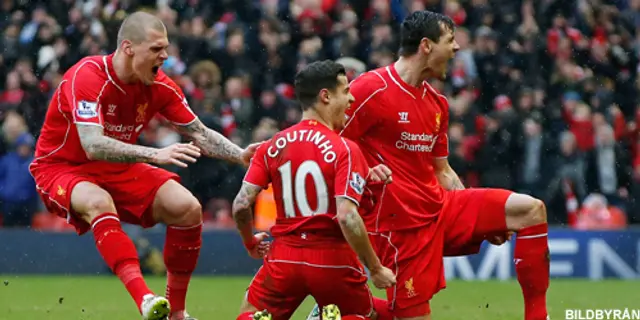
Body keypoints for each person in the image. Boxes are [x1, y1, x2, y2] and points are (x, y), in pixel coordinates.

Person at [312, 10, 550, 320]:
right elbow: (326, 143)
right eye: (450, 40)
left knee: (531, 211)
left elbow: (442, 171)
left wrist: (476, 217)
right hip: (399, 227)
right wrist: (363, 171)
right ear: (426, 45)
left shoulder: (437, 103)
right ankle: (347, 309)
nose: (456, 48)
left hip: (440, 207)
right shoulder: (372, 89)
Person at [28, 11, 258, 320]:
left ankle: (176, 312)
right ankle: (145, 299)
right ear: (128, 48)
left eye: (165, 47)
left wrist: (240, 155)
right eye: (156, 48)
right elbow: (92, 145)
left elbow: (199, 133)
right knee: (98, 202)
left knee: (187, 208)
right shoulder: (87, 77)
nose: (165, 55)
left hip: (118, 167)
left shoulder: (159, 85)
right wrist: (153, 154)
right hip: (62, 167)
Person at [231, 60, 397, 320]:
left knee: (249, 314)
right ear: (326, 96)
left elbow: (241, 204)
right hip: (332, 257)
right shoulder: (346, 148)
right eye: (345, 91)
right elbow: (347, 215)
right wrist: (375, 268)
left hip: (283, 258)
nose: (352, 98)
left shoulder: (272, 145)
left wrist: (250, 241)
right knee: (376, 315)